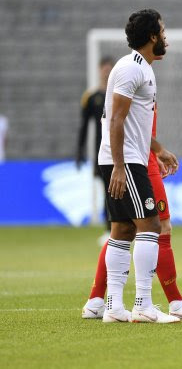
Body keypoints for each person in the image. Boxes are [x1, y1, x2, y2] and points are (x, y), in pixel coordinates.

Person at [81, 109, 182, 321]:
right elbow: (123, 122)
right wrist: (157, 151)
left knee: (125, 228)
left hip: (138, 155)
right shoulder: (135, 76)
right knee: (159, 227)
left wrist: (152, 153)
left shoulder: (135, 79)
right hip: (135, 159)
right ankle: (175, 303)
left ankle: (97, 301)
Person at [95, 8, 178, 324]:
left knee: (123, 229)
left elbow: (133, 122)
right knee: (151, 226)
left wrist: (158, 149)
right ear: (153, 36)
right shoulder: (133, 69)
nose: (166, 37)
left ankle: (114, 308)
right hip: (126, 161)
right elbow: (115, 118)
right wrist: (119, 166)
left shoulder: (139, 67)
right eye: (163, 31)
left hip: (126, 157)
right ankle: (143, 304)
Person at [76, 57, 114, 237]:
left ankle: (121, 229)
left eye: (109, 68)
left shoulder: (119, 94)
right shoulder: (91, 98)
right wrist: (79, 150)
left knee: (117, 192)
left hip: (122, 151)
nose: (106, 71)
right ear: (99, 70)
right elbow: (84, 126)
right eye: (104, 68)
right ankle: (110, 230)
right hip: (102, 152)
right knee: (107, 191)